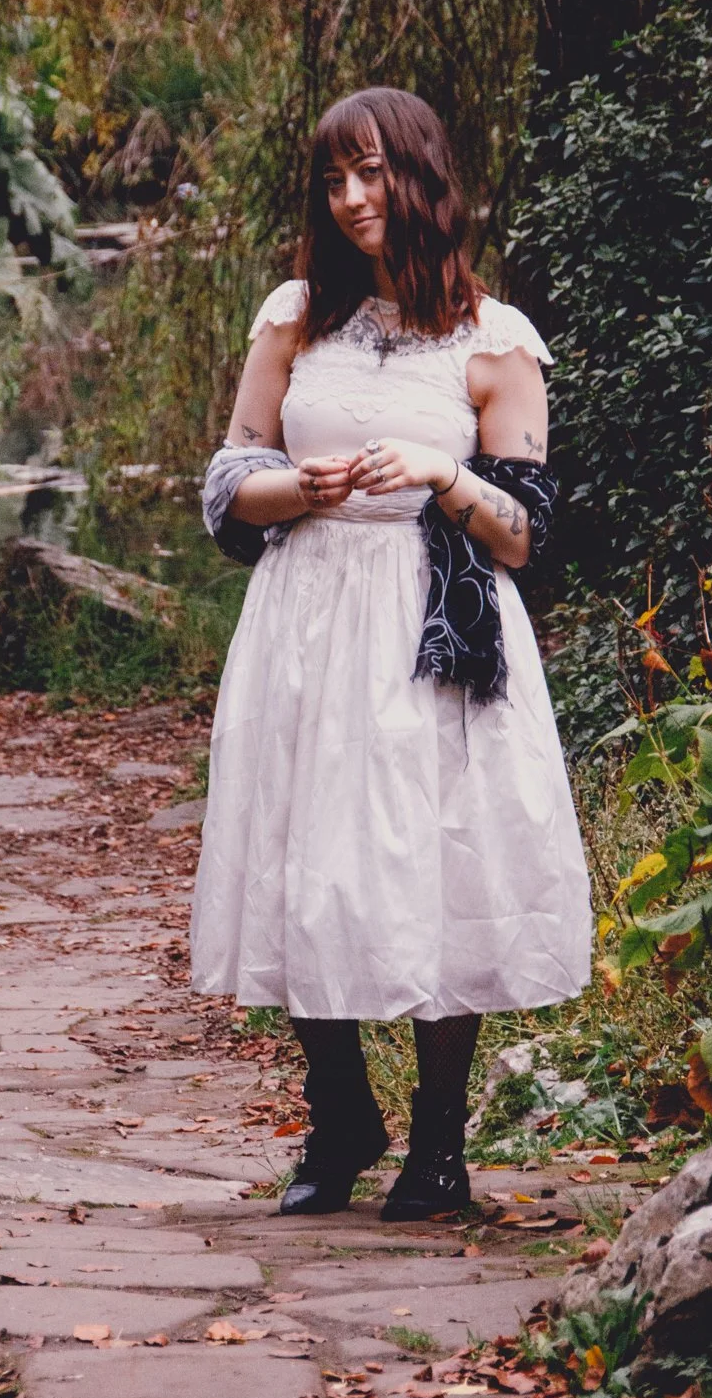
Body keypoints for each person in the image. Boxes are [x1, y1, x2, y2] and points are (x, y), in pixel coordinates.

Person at [190, 86, 590, 1219]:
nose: (354, 198)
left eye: (372, 172)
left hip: (434, 626)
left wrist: (439, 476)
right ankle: (339, 1110)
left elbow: (526, 533)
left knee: (432, 859)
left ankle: (439, 1150)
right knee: (304, 854)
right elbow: (227, 490)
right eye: (334, 179)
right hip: (306, 614)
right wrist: (293, 487)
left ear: (421, 176)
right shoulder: (293, 319)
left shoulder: (493, 342)